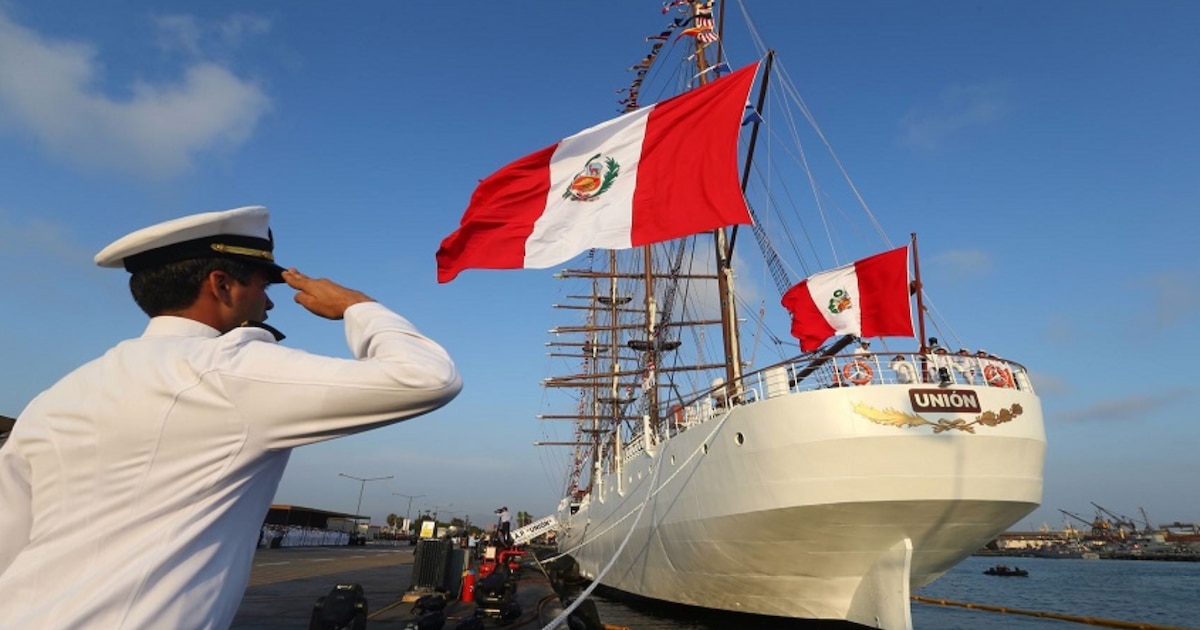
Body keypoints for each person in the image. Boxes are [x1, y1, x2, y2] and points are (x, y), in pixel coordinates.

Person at [0, 206, 462, 630]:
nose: (271, 303)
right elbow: (427, 377)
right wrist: (359, 307)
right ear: (221, 285)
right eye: (263, 285)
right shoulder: (227, 371)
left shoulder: (56, 398)